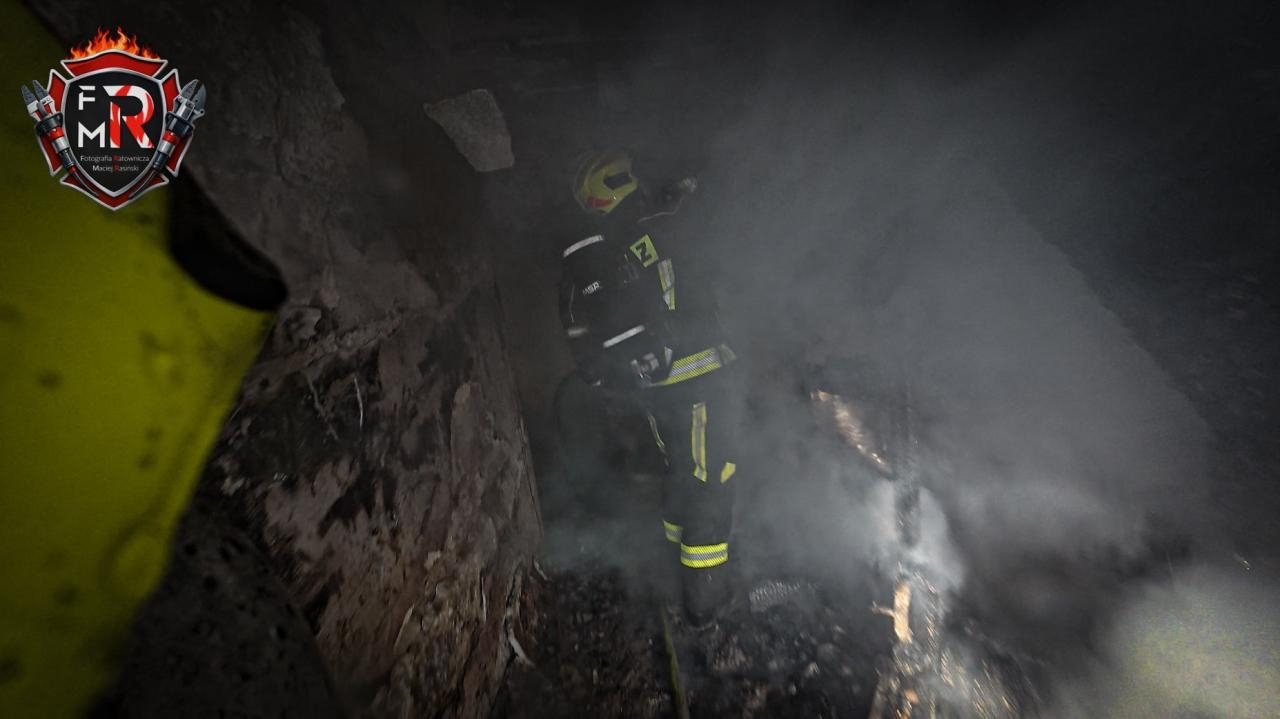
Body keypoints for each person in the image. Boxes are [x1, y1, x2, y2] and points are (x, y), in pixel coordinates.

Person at [558, 149, 742, 625]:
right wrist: (690, 185)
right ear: (617, 186)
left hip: (658, 390)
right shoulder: (656, 229)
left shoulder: (615, 244)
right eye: (631, 180)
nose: (640, 185)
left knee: (682, 474)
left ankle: (676, 578)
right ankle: (707, 604)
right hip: (700, 379)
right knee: (710, 481)